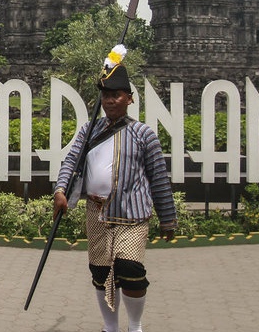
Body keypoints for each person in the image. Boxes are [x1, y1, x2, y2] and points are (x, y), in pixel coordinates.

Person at [53, 45, 177, 332]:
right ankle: (110, 328)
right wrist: (61, 190)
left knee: (130, 271)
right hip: (97, 214)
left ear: (129, 99)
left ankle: (135, 326)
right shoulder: (89, 131)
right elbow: (71, 162)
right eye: (106, 95)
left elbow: (158, 178)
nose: (110, 101)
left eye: (116, 95)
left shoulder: (143, 134)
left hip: (131, 216)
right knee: (100, 273)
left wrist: (167, 218)